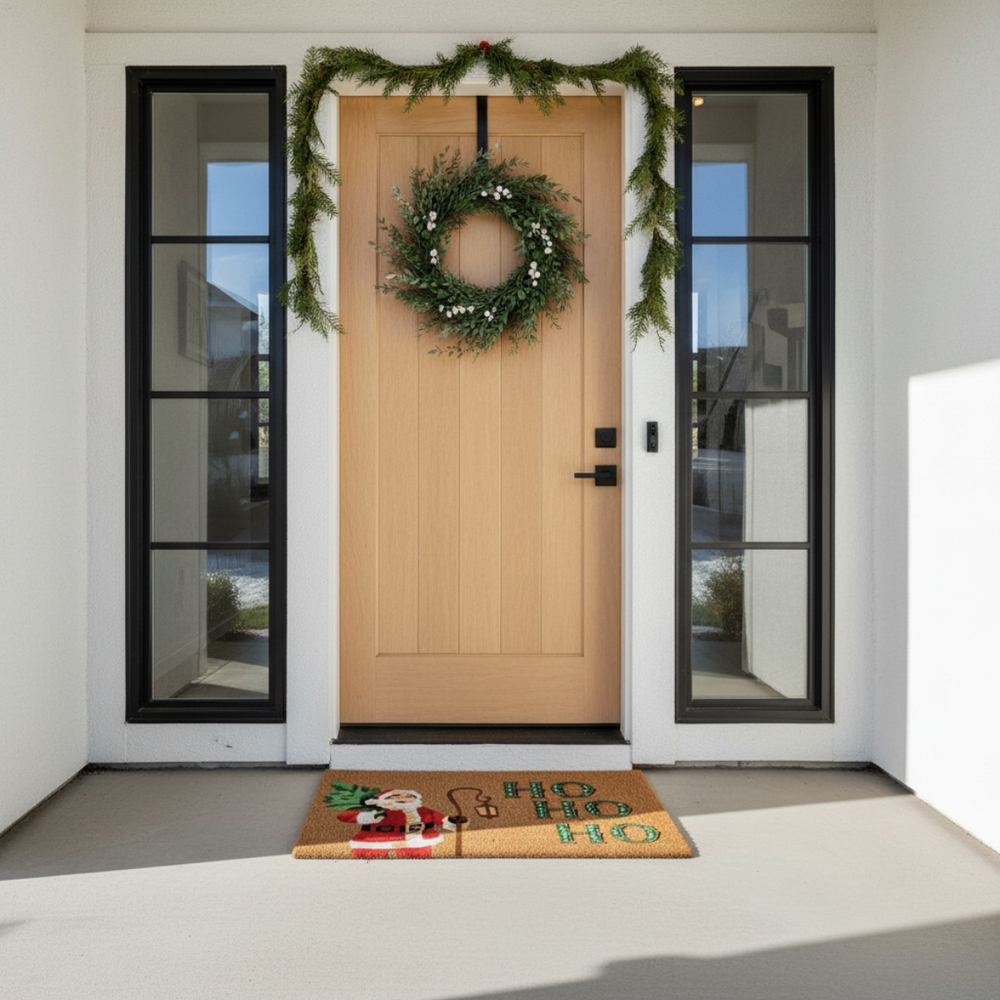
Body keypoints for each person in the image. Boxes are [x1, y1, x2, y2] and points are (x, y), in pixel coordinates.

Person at [337, 788, 465, 858]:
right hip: (377, 839)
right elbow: (344, 816)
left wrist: (450, 821)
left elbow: (439, 818)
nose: (402, 799)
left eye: (408, 797)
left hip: (415, 838)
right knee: (367, 856)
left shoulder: (422, 810)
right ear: (382, 800)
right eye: (394, 797)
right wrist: (364, 816)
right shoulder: (375, 809)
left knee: (418, 857)